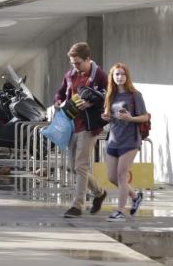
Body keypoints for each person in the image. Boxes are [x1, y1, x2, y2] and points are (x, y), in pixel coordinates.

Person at [54, 42, 109, 218]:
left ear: (87, 59)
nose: (75, 66)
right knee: (74, 167)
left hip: (88, 126)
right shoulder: (70, 74)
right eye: (72, 63)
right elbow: (61, 92)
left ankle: (77, 206)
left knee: (80, 165)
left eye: (78, 63)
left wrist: (91, 103)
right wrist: (58, 101)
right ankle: (99, 192)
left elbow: (108, 97)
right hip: (71, 125)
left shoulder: (99, 75)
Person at [100, 63, 148, 221]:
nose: (120, 77)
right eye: (117, 74)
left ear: (127, 76)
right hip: (113, 140)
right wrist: (106, 117)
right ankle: (135, 196)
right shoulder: (110, 95)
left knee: (122, 176)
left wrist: (130, 118)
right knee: (112, 177)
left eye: (122, 74)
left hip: (130, 140)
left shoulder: (135, 95)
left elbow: (145, 116)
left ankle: (120, 211)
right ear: (112, 77)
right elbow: (110, 116)